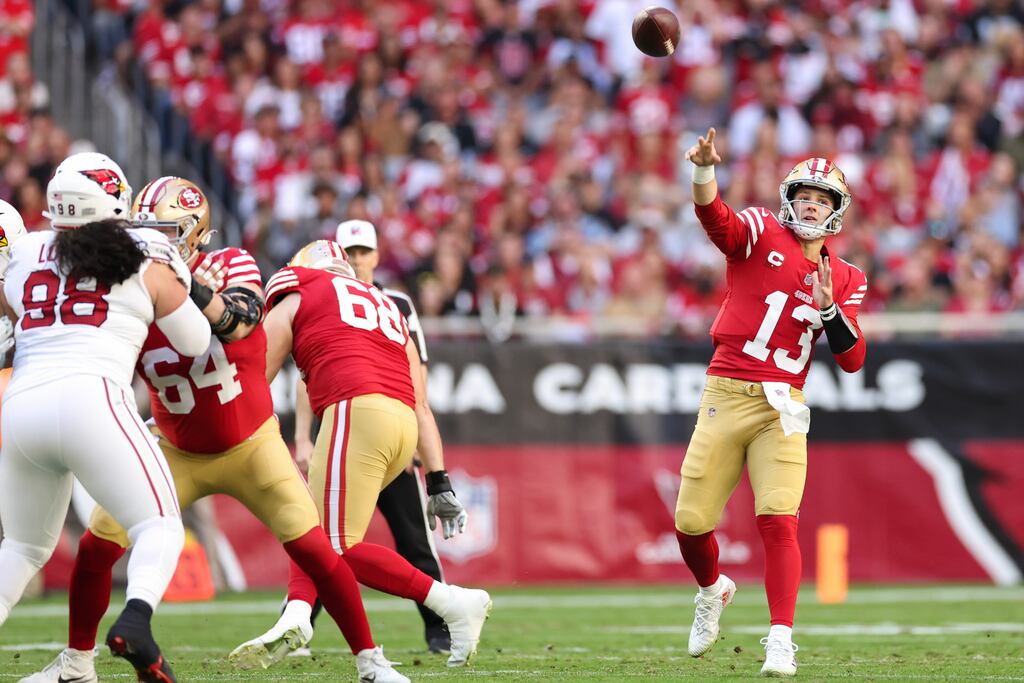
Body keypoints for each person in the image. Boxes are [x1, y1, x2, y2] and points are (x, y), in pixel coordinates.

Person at [20, 178, 408, 683]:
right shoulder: (127, 277)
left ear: (193, 233)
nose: (147, 238)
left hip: (251, 442)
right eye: (142, 227)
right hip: (174, 445)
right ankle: (76, 663)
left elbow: (242, 322)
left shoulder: (228, 263)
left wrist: (181, 281)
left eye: (161, 229)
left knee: (318, 550)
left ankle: (371, 661)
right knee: (98, 546)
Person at [0, 153, 212, 682]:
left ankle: (81, 662)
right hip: (93, 399)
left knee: (23, 546)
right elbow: (195, 341)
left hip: (23, 406)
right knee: (158, 524)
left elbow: (14, 313)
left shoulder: (24, 251)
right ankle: (136, 621)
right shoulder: (144, 251)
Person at [234, 241, 491, 669]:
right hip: (401, 426)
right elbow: (421, 402)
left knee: (333, 547)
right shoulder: (386, 304)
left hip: (356, 410)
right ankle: (296, 617)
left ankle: (451, 604)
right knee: (311, 525)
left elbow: (259, 370)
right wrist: (437, 477)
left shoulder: (301, 286)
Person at [676, 129, 867, 678]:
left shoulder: (846, 277)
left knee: (779, 520)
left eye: (823, 199)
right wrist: (704, 170)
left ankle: (780, 639)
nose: (811, 205)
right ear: (789, 200)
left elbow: (853, 360)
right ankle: (713, 589)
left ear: (836, 212)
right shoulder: (760, 230)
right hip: (726, 391)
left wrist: (831, 311)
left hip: (783, 405)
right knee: (690, 523)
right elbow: (717, 221)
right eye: (805, 195)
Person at [285, 219, 450, 656]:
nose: (357, 259)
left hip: (371, 423)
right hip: (351, 422)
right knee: (321, 533)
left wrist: (425, 444)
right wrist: (303, 437)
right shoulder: (324, 292)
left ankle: (441, 621)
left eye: (363, 252)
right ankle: (300, 620)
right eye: (350, 252)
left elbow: (417, 378)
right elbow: (307, 375)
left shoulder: (391, 300)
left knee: (400, 537)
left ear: (376, 256)